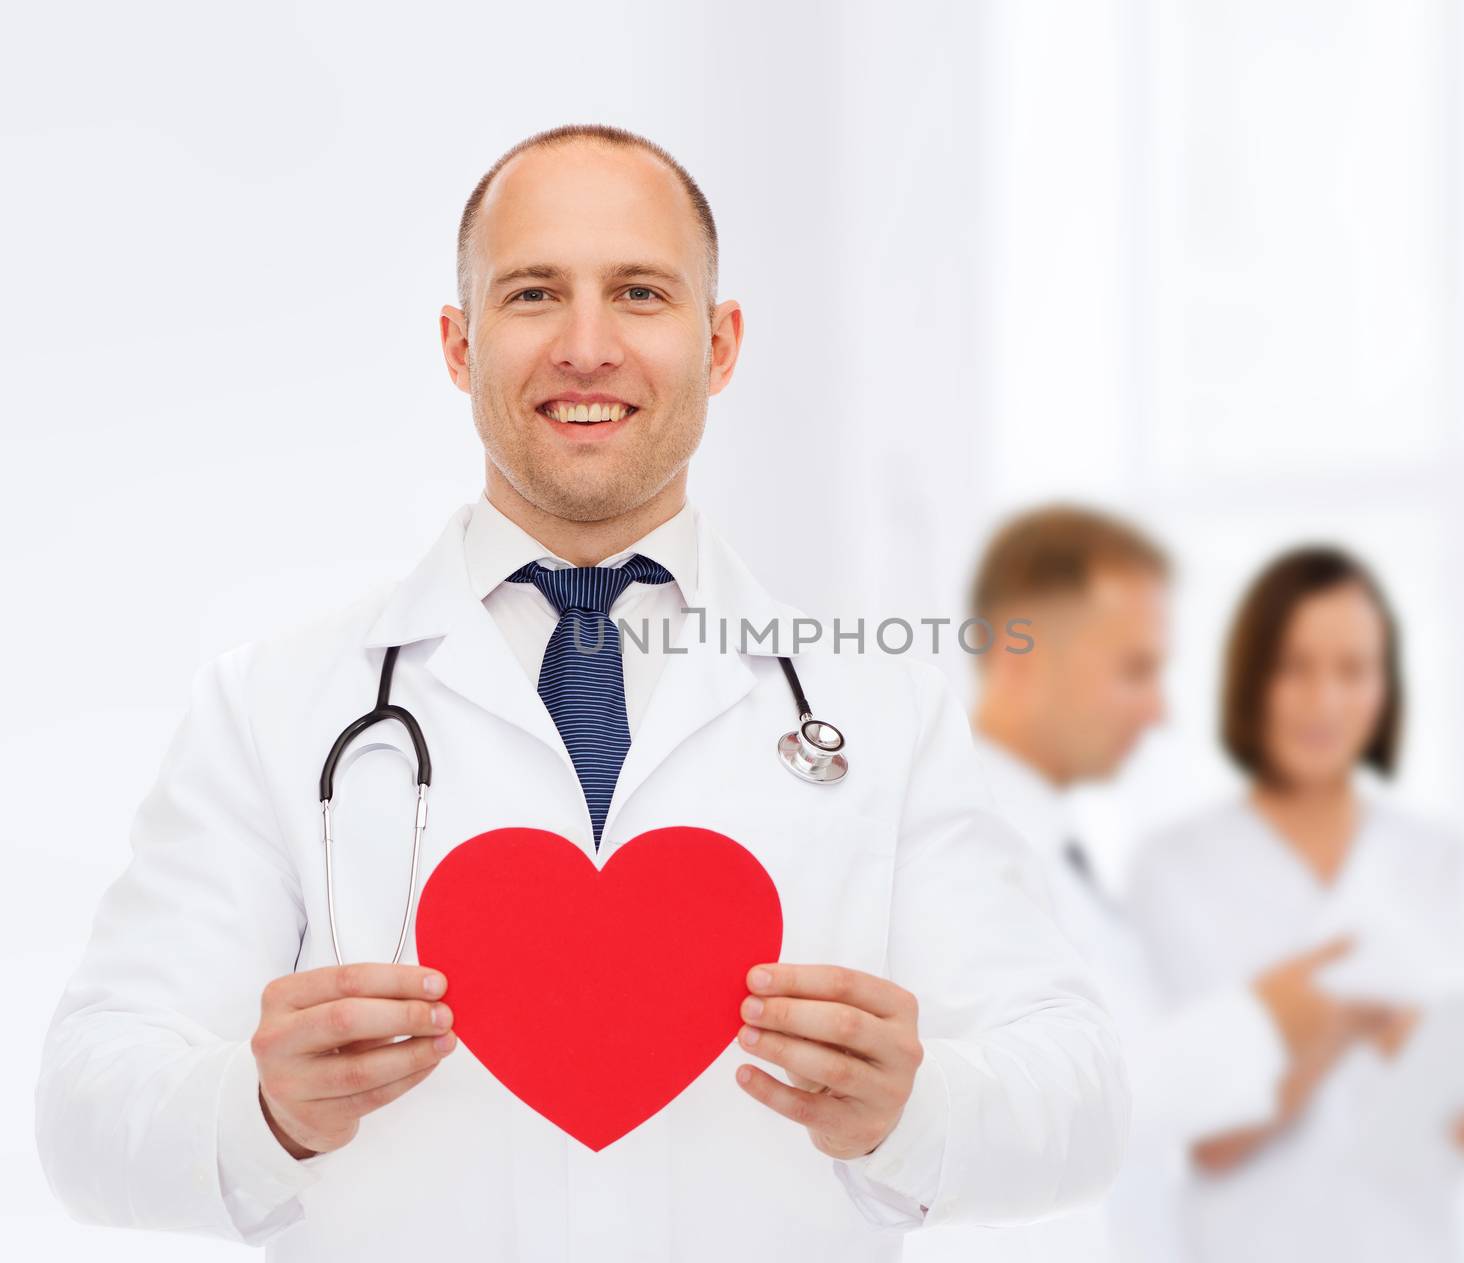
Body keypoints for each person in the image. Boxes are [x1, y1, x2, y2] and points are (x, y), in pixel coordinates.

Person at [33, 126, 1128, 1262]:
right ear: (459, 345)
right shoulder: (272, 704)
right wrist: (262, 1117)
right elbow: (84, 1112)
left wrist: (918, 1112)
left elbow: (1080, 1094)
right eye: (533, 294)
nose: (587, 346)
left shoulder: (881, 705)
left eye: (640, 293)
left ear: (721, 342)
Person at [908, 506, 1372, 1263]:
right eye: (1135, 670)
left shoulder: (1052, 842)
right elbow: (1057, 1100)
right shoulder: (957, 836)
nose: (1160, 711)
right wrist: (1264, 1019)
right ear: (1023, 657)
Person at [1125, 545, 1464, 1263]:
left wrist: (1411, 1047)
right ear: (1252, 679)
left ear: (1386, 686)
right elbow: (1201, 1138)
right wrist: (1340, 1022)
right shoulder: (1173, 869)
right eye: (1294, 667)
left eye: (1352, 670)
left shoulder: (1455, 867)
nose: (1324, 700)